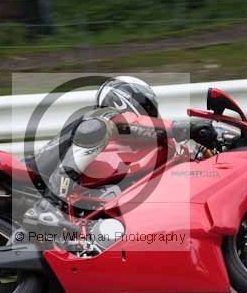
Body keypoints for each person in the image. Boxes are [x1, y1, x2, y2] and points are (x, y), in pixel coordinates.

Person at [22, 76, 219, 232]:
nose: (151, 112)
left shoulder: (124, 145)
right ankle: (49, 206)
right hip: (33, 176)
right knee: (96, 128)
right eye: (147, 105)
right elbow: (133, 124)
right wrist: (185, 128)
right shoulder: (105, 118)